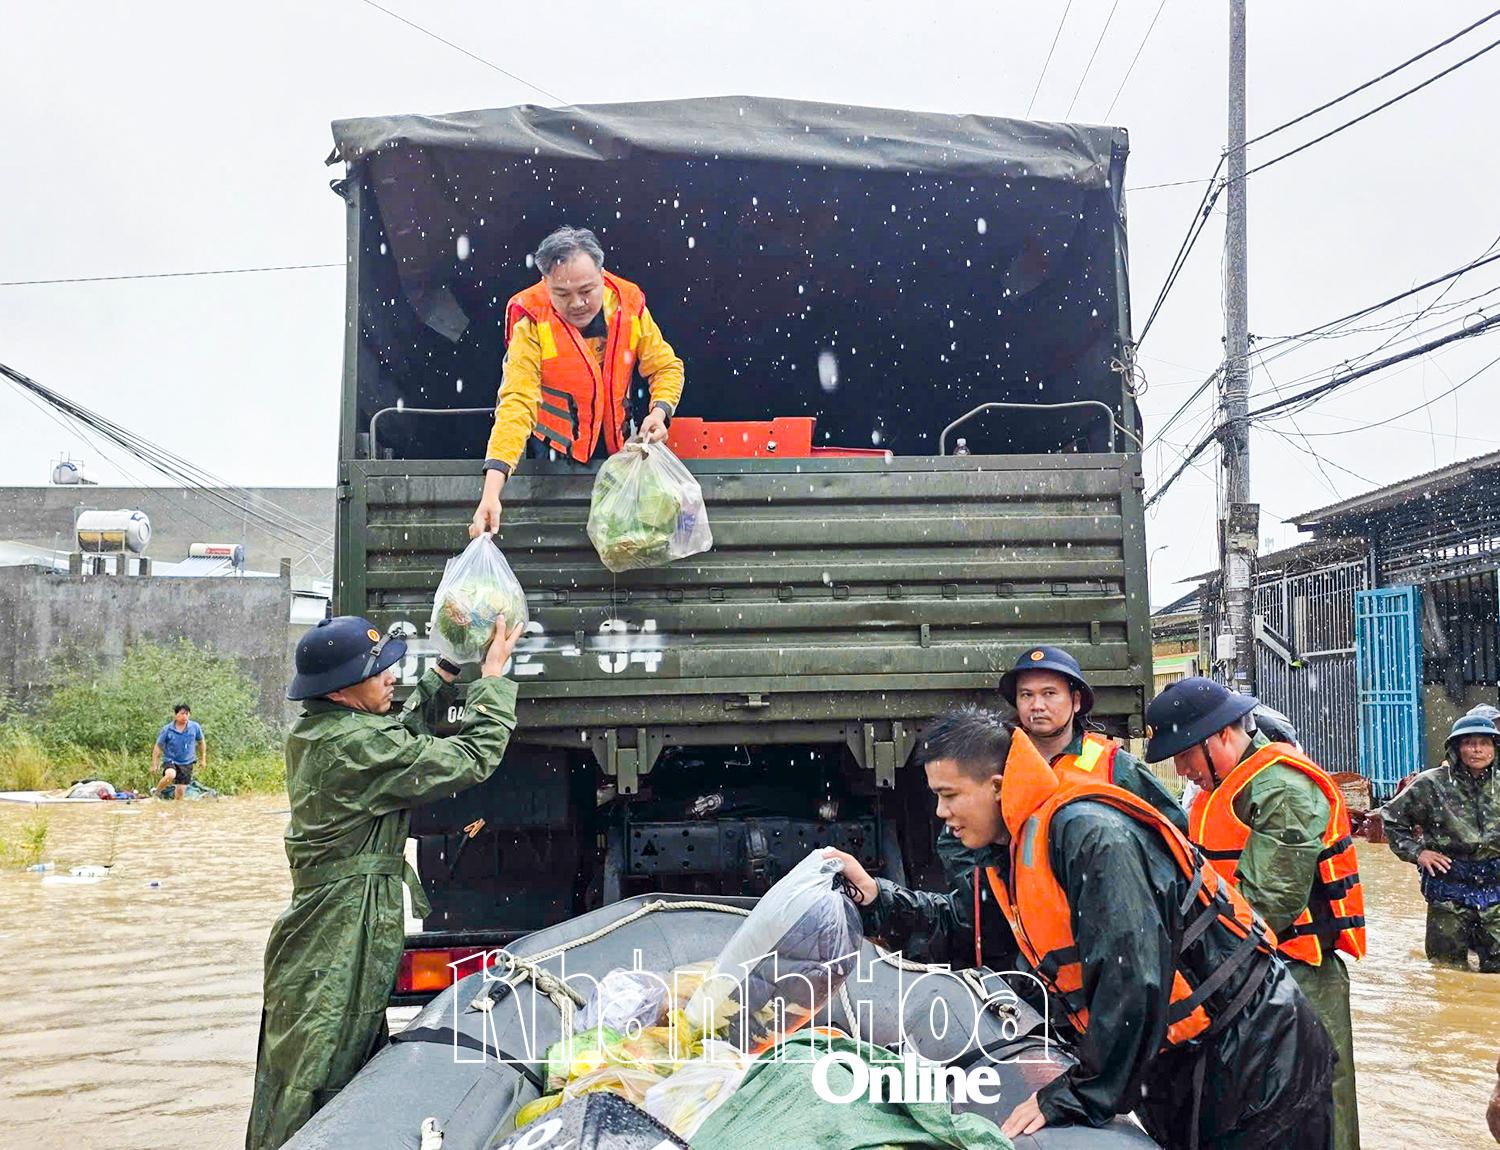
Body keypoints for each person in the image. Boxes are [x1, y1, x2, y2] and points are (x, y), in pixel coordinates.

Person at [830, 708, 1335, 1149]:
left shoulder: (1090, 835)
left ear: (997, 787)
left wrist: (1074, 1094)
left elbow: (1132, 978)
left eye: (948, 796)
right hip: (1186, 1065)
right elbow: (965, 926)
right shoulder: (1011, 852)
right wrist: (877, 900)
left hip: (1256, 1055)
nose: (941, 815)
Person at [245, 613, 524, 1150]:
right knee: (315, 1078)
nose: (393, 677)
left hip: (342, 924)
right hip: (335, 934)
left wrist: (444, 669)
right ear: (344, 689)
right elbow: (470, 758)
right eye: (382, 671)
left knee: (347, 1064)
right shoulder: (349, 748)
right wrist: (490, 681)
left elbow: (396, 740)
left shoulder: (331, 730)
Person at [1146, 677, 1364, 1150]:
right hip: (1248, 970)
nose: (1182, 769)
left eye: (1184, 753)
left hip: (1299, 975)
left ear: (1220, 735)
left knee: (1318, 1098)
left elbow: (1268, 903)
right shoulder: (1221, 788)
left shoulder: (1283, 788)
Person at [470, 226, 685, 535]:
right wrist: (491, 492)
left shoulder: (629, 305)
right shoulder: (531, 318)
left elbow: (666, 367)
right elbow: (516, 403)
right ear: (545, 283)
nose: (577, 304)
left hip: (618, 451)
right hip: (552, 458)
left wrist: (659, 412)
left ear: (602, 273)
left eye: (587, 291)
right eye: (562, 294)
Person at [998, 645, 1188, 832]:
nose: (1037, 705)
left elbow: (1174, 828)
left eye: (1049, 693)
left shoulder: (1113, 764)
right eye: (1026, 695)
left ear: (1076, 700)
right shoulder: (999, 759)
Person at [1380, 712, 1500, 973]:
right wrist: (1418, 852)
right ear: (1456, 748)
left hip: (1496, 892)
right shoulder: (1431, 783)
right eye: (1469, 742)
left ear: (1495, 747)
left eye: (1485, 742)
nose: (1477, 749)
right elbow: (1390, 819)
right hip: (1448, 892)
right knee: (1447, 972)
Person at [151, 704, 205, 799]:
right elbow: (158, 747)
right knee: (170, 775)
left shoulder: (195, 727)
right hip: (171, 759)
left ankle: (177, 811)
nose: (185, 716)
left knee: (180, 793)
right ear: (176, 715)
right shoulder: (167, 729)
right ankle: (156, 794)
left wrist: (203, 759)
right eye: (182, 714)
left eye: (187, 714)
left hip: (187, 762)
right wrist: (154, 764)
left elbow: (201, 743)